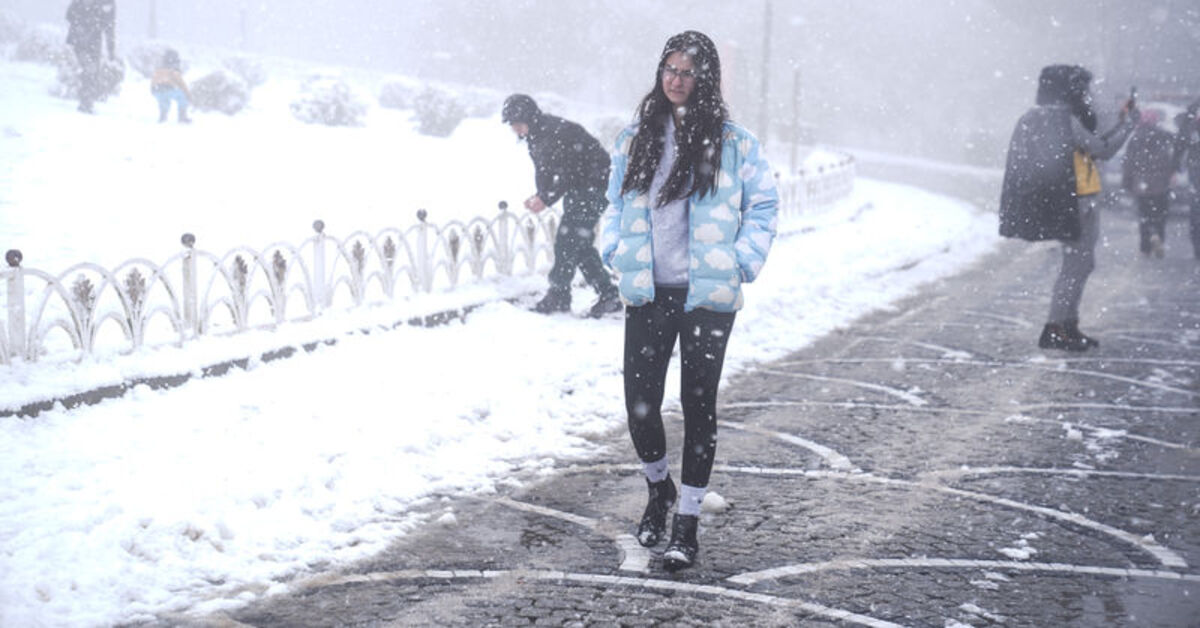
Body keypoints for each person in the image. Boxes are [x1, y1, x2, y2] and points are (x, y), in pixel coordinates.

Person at [598, 30, 778, 570]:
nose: (676, 80)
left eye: (687, 72)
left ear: (706, 80)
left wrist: (741, 261)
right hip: (649, 293)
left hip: (706, 298)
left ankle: (687, 525)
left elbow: (764, 206)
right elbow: (612, 205)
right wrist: (615, 250)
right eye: (669, 69)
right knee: (641, 407)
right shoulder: (635, 138)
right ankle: (660, 491)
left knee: (699, 407)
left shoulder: (735, 143)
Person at [999, 64, 1136, 351]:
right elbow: (1101, 149)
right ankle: (1056, 328)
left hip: (1071, 201)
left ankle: (1067, 326)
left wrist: (1119, 122)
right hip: (1078, 204)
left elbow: (1090, 146)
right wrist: (1128, 124)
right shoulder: (1062, 118)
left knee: (1080, 265)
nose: (1086, 94)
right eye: (1082, 88)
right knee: (1076, 266)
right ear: (1069, 90)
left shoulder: (1038, 117)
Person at [502, 94, 622, 317]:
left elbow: (566, 170)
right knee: (580, 245)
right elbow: (546, 172)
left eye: (517, 124)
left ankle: (559, 295)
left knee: (567, 241)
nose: (515, 129)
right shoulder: (539, 135)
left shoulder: (553, 133)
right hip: (583, 188)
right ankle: (609, 295)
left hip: (593, 186)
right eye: (512, 125)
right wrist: (541, 195)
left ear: (528, 118)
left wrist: (545, 198)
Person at [1122, 109, 1176, 257]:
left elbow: (1128, 163)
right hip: (1161, 184)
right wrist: (1171, 174)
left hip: (1141, 185)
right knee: (1160, 216)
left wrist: (1127, 183)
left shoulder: (1135, 139)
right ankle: (1159, 238)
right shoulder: (1164, 136)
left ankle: (1145, 248)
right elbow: (1172, 158)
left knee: (1144, 217)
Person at [65, 0, 116, 114]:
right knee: (89, 69)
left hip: (94, 42)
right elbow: (69, 15)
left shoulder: (109, 3)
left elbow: (110, 27)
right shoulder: (82, 4)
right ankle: (86, 102)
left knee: (93, 71)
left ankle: (86, 102)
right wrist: (82, 24)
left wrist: (111, 50)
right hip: (79, 40)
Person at [1174, 103, 1200, 259]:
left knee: (1196, 210)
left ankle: (1197, 247)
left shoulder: (1190, 117)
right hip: (1195, 169)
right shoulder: (1190, 118)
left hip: (1195, 169)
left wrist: (1176, 163)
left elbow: (1180, 143)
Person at [151, 49, 192, 124]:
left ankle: (163, 116)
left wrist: (153, 90)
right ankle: (182, 117)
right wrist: (188, 94)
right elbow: (181, 83)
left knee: (164, 101)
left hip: (156, 90)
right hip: (169, 88)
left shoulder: (158, 70)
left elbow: (153, 81)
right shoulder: (173, 70)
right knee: (182, 97)